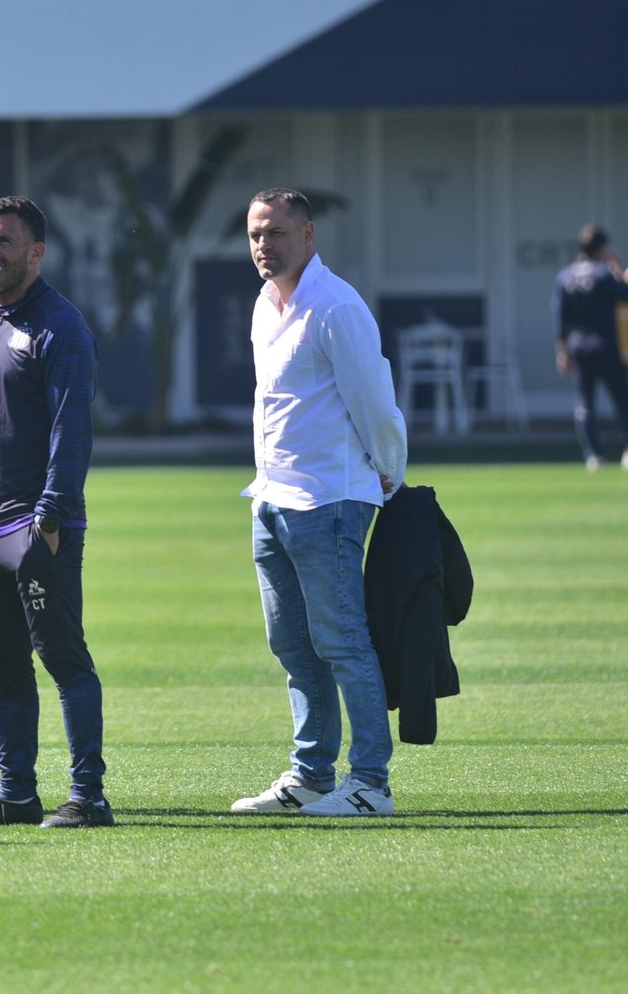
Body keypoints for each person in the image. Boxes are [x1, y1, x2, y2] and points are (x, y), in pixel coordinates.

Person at [233, 187, 407, 818]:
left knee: (342, 642)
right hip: (272, 496)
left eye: (276, 232)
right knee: (293, 647)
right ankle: (310, 774)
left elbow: (374, 400)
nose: (263, 244)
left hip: (329, 498)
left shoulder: (336, 305)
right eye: (255, 233)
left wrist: (388, 471)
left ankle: (370, 784)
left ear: (307, 234)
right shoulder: (264, 304)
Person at [0, 196, 112, 830]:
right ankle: (16, 795)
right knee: (1, 666)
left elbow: (72, 430)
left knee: (64, 659)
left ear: (36, 252)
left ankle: (89, 797)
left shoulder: (60, 327)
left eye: (3, 242)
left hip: (34, 528)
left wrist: (52, 515)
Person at [553, 224, 628, 470]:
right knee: (623, 401)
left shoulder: (565, 277)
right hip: (606, 347)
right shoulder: (603, 275)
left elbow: (560, 319)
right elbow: (625, 294)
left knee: (584, 403)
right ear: (602, 247)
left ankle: (593, 455)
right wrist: (616, 266)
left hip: (579, 349)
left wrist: (561, 351)